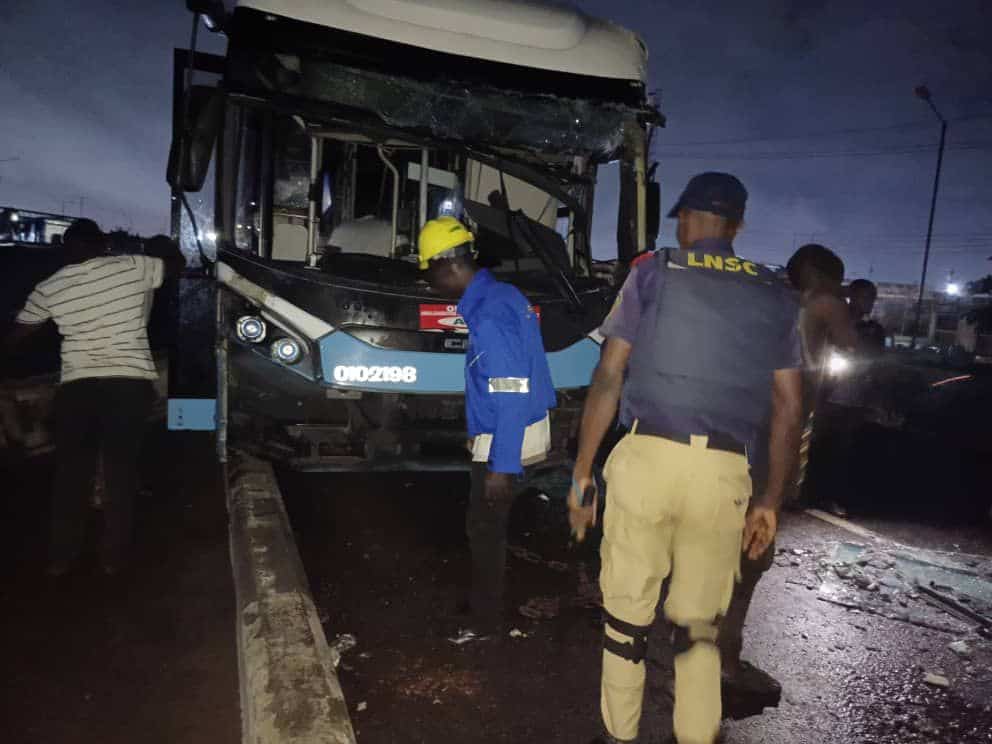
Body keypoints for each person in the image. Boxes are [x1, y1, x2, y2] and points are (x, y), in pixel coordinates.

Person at [570, 173, 804, 744]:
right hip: (723, 474)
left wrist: (582, 474)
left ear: (685, 218)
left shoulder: (653, 272)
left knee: (626, 617)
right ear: (739, 224)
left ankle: (619, 735)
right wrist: (771, 499)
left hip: (647, 459)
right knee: (700, 627)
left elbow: (608, 375)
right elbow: (789, 406)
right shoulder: (775, 291)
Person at [3, 221, 185, 576]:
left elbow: (17, 337)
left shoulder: (49, 286)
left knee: (71, 475)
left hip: (77, 390)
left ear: (66, 250)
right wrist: (162, 244)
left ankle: (62, 557)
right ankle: (112, 559)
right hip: (127, 386)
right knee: (120, 472)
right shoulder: (132, 265)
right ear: (103, 245)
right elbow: (176, 265)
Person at [417, 216, 556, 633]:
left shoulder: (491, 313)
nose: (432, 285)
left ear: (448, 265)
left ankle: (486, 619)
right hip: (504, 430)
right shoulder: (500, 297)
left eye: (431, 274)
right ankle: (484, 604)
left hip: (508, 436)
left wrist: (501, 464)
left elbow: (511, 390)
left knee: (485, 528)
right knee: (485, 526)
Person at [848, 279, 885, 354]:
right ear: (852, 297)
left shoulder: (876, 330)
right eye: (866, 297)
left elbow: (877, 359)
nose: (871, 302)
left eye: (873, 298)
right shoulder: (835, 321)